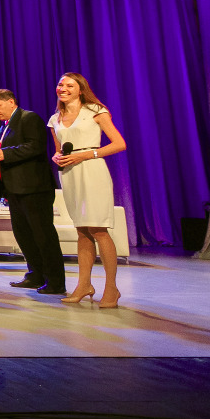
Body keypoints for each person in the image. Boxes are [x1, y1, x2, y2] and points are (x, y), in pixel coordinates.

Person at [49, 73, 127, 308]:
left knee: (98, 229)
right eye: (60, 84)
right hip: (69, 174)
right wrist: (56, 157)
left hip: (92, 170)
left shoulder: (95, 111)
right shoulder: (55, 118)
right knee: (82, 231)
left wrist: (85, 154)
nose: (63, 88)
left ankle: (111, 288)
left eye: (69, 85)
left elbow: (119, 144)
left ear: (81, 89)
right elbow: (58, 149)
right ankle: (84, 285)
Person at [0, 88, 65, 295]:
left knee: (43, 235)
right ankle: (35, 275)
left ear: (11, 102)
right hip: (15, 190)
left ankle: (55, 281)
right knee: (24, 235)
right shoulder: (5, 125)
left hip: (34, 189)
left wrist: (5, 153)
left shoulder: (29, 118)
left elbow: (35, 146)